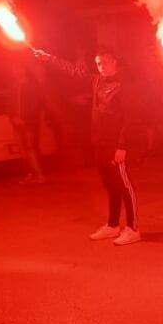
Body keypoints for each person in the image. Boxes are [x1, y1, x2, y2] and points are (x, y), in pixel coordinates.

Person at [38, 46, 142, 245]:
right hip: (100, 142)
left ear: (115, 62)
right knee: (110, 185)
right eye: (99, 64)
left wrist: (122, 146)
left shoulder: (125, 84)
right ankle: (113, 225)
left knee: (124, 185)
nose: (102, 67)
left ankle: (133, 228)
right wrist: (49, 58)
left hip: (116, 144)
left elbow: (132, 118)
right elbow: (74, 72)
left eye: (106, 62)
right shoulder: (97, 81)